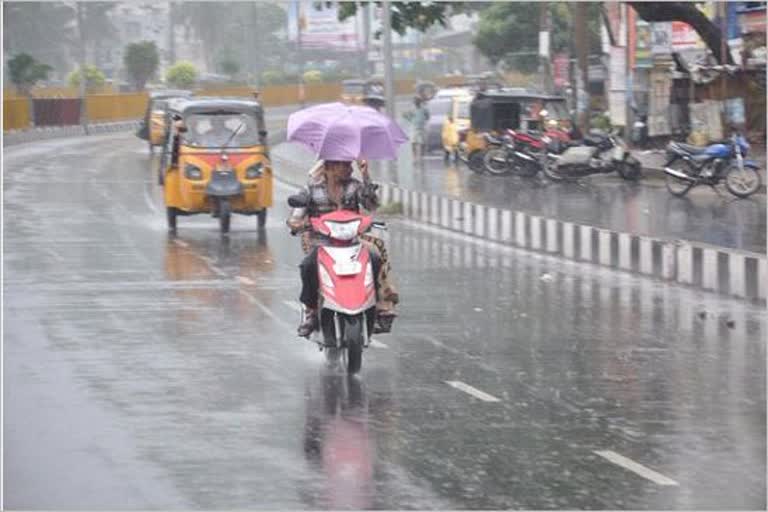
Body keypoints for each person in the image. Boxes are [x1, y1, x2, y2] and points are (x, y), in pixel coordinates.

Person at [287, 160, 399, 337]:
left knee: (375, 259)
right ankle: (311, 312)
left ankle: (379, 307)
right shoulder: (310, 190)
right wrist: (298, 224)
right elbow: (295, 218)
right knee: (308, 267)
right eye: (343, 165)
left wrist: (365, 175)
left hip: (352, 242)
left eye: (349, 165)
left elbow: (371, 205)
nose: (349, 169)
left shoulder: (354, 186)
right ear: (329, 167)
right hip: (320, 243)